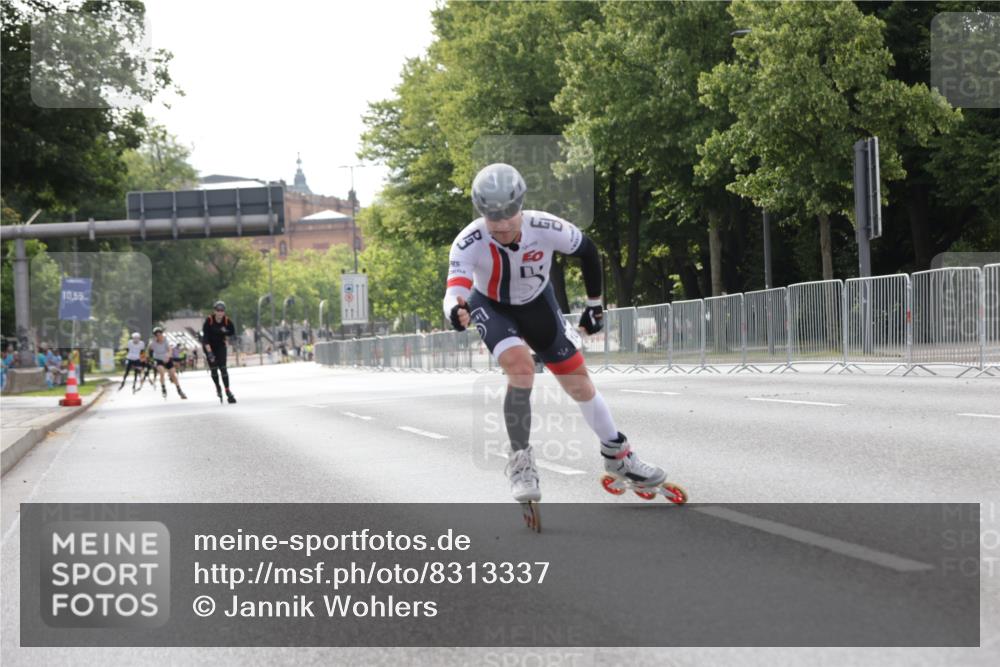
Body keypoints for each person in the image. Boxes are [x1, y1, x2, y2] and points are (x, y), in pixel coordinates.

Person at [443, 163, 669, 505]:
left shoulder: (545, 226)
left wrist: (595, 304)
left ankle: (618, 456)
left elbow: (588, 251)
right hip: (492, 306)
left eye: (508, 213)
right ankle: (521, 463)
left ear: (521, 205)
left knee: (580, 383)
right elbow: (454, 289)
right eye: (492, 216)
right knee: (520, 368)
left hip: (538, 305)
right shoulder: (468, 240)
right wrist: (454, 310)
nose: (502, 224)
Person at [201, 300, 237, 404]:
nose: (220, 312)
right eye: (218, 310)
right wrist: (209, 353)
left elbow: (232, 332)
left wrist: (226, 332)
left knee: (223, 368)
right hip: (209, 346)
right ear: (214, 311)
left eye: (222, 310)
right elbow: (205, 338)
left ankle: (227, 391)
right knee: (214, 369)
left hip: (220, 346)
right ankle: (217, 386)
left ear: (224, 311)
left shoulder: (226, 321)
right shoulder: (209, 321)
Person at [148, 326, 187, 399]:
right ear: (155, 335)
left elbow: (170, 350)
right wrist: (151, 358)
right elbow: (149, 349)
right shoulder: (153, 342)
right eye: (157, 335)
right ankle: (163, 388)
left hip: (167, 359)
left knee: (173, 374)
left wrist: (168, 356)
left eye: (160, 334)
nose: (159, 336)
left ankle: (179, 390)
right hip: (158, 359)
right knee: (162, 372)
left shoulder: (165, 340)